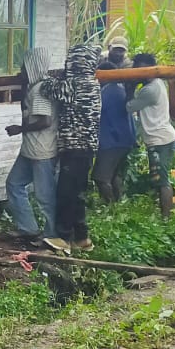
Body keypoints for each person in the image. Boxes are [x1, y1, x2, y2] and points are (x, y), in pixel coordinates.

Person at [42, 44, 102, 251]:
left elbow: (47, 88)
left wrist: (50, 76)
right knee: (76, 193)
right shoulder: (92, 83)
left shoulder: (75, 84)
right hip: (86, 148)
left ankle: (63, 237)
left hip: (75, 148)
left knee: (66, 193)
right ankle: (82, 238)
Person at [4, 47, 58, 242]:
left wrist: (20, 129)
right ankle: (28, 228)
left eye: (25, 67)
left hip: (42, 151)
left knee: (45, 196)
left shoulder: (41, 90)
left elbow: (45, 121)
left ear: (34, 67)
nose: (21, 71)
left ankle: (51, 235)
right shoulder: (33, 87)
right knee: (14, 184)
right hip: (31, 150)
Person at [126, 53, 175, 218]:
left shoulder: (149, 90)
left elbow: (129, 107)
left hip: (159, 139)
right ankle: (164, 214)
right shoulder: (158, 83)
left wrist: (130, 86)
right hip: (162, 137)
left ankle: (166, 219)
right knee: (159, 177)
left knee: (162, 180)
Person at [92, 62, 136, 203]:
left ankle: (111, 207)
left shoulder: (108, 91)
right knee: (113, 175)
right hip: (123, 140)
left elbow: (94, 111)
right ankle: (118, 204)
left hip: (112, 140)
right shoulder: (119, 89)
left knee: (101, 178)